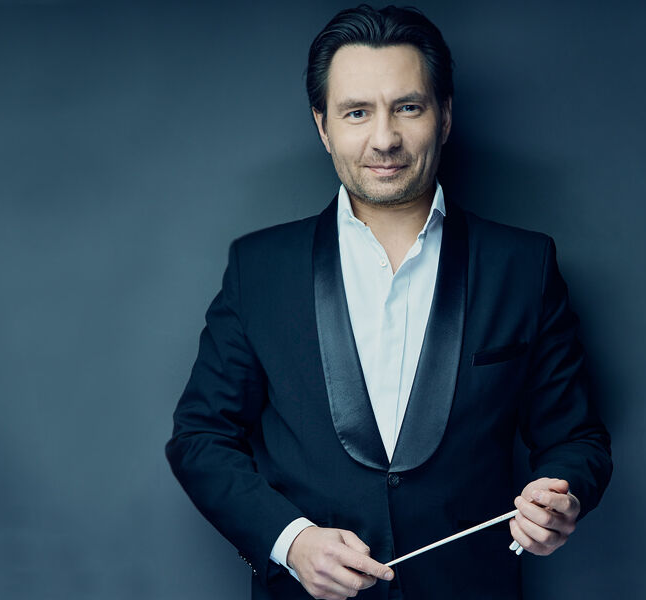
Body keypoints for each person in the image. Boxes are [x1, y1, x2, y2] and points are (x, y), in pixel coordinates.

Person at [166, 5, 612, 600]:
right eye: (357, 112)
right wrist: (291, 542)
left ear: (444, 117)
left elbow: (576, 439)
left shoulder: (523, 265)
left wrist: (560, 495)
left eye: (407, 107)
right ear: (323, 127)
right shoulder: (259, 268)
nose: (384, 139)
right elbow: (200, 437)